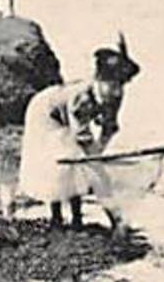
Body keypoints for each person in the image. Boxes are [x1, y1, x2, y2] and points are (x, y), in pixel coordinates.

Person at [17, 35, 140, 231]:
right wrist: (94, 162)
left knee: (84, 164)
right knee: (62, 161)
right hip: (46, 113)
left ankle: (79, 218)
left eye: (121, 85)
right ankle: (57, 217)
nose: (116, 91)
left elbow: (109, 127)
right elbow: (81, 137)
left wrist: (98, 153)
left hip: (67, 117)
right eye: (112, 85)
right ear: (99, 80)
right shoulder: (81, 98)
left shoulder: (115, 96)